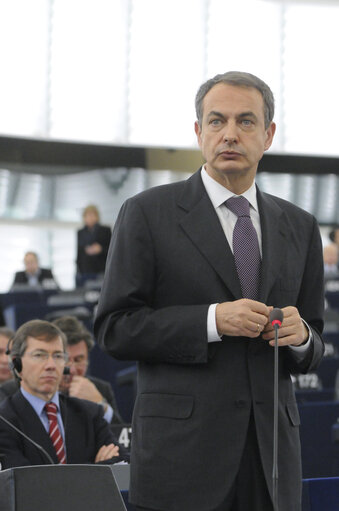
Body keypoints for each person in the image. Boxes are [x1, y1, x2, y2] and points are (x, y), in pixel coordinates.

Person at [94, 71, 325, 511]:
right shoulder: (146, 213)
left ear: (268, 134)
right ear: (199, 133)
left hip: (272, 461)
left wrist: (301, 338)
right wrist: (211, 321)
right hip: (182, 460)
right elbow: (114, 329)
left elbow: (314, 341)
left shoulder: (299, 225)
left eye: (246, 121)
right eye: (217, 121)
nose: (230, 134)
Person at [0, 319, 128, 469]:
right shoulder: (5, 420)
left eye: (58, 356)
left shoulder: (90, 413)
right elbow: (22, 481)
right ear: (17, 364)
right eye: (39, 355)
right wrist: (95, 468)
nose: (51, 365)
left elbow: (124, 461)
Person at [52, 315, 123, 424]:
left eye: (79, 359)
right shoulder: (31, 389)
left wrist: (101, 405)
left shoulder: (101, 389)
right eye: (65, 359)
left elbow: (121, 437)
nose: (72, 370)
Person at [76, 205, 111, 287]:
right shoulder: (80, 233)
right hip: (86, 271)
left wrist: (100, 249)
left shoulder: (105, 230)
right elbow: (79, 254)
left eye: (92, 215)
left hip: (102, 270)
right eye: (87, 215)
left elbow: (112, 250)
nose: (90, 218)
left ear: (97, 216)